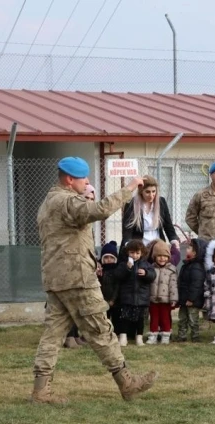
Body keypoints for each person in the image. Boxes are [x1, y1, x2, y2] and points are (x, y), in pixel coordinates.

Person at [30, 157, 157, 404]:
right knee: (101, 330)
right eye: (83, 179)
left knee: (52, 335)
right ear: (69, 180)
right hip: (77, 278)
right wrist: (130, 188)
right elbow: (98, 211)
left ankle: (40, 391)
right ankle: (127, 383)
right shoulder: (67, 201)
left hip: (57, 278)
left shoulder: (48, 202)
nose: (86, 182)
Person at [64, 183, 99, 349]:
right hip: (68, 265)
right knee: (69, 304)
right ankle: (68, 337)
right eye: (86, 198)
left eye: (92, 199)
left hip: (84, 265)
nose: (89, 202)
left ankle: (76, 335)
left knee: (81, 304)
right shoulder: (73, 215)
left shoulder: (89, 221)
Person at [121, 175, 180, 265]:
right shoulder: (132, 204)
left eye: (154, 191)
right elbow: (127, 230)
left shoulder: (161, 202)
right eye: (147, 192)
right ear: (141, 192)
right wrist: (129, 246)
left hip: (157, 244)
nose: (151, 195)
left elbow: (168, 225)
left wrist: (174, 240)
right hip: (139, 245)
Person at [114, 239, 156, 346]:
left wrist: (146, 273)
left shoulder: (146, 264)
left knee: (140, 319)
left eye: (137, 253)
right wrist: (127, 268)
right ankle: (123, 337)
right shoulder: (124, 264)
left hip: (141, 298)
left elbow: (152, 276)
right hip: (127, 297)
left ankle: (139, 338)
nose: (135, 255)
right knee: (124, 318)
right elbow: (118, 275)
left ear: (142, 253)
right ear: (128, 252)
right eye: (132, 252)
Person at [177, 238, 209, 342]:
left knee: (193, 319)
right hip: (184, 299)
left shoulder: (197, 267)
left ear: (195, 253)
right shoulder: (186, 265)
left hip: (192, 301)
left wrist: (191, 299)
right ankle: (181, 336)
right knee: (182, 318)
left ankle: (195, 336)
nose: (187, 249)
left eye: (189, 248)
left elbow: (197, 285)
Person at [147, 239, 178, 345]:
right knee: (154, 318)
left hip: (166, 300)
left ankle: (166, 335)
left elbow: (173, 285)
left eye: (164, 256)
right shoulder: (150, 269)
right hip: (153, 299)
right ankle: (153, 335)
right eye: (159, 256)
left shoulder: (171, 270)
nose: (162, 258)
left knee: (165, 318)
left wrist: (174, 299)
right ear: (154, 257)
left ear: (168, 257)